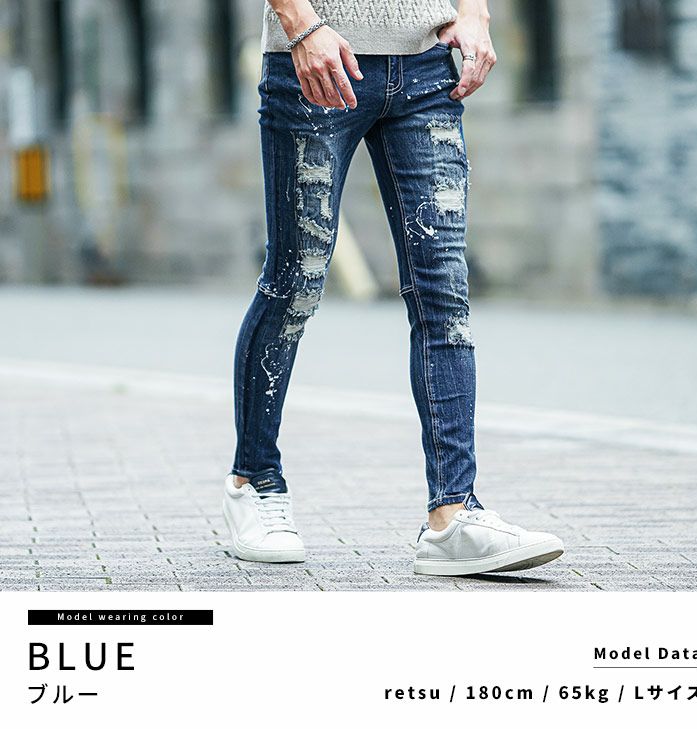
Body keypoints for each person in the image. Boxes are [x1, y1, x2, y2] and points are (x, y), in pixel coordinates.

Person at [223, 0, 565, 576]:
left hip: (428, 65)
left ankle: (453, 515)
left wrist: (474, 13)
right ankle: (254, 482)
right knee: (295, 283)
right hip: (317, 59)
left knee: (444, 294)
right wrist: (300, 25)